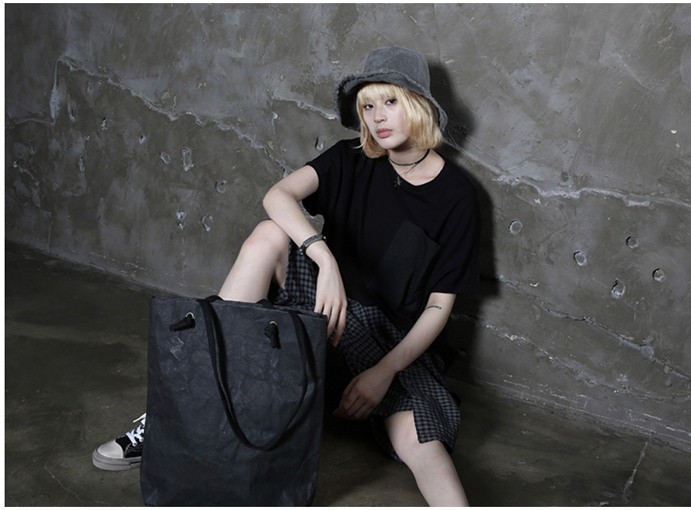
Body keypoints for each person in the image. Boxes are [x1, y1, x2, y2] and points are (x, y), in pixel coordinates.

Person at [92, 46, 479, 506]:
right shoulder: (350, 158)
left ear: (417, 105)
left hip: (388, 345)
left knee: (422, 443)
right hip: (319, 315)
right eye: (368, 106)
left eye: (390, 101)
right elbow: (277, 195)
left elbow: (439, 305)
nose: (377, 117)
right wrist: (325, 259)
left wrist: (383, 372)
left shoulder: (457, 196)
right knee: (268, 235)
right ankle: (171, 416)